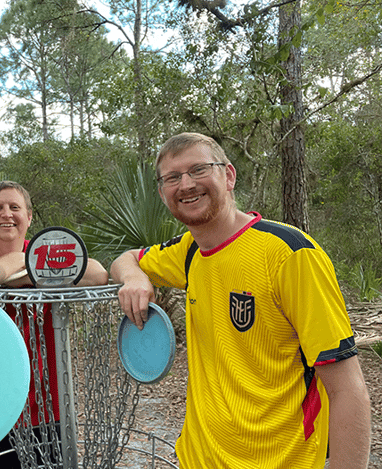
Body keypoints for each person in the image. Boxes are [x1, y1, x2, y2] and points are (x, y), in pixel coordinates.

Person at [111, 132, 371, 468]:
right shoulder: (188, 251)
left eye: (199, 170)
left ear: (229, 175)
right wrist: (133, 277)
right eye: (172, 178)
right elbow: (125, 259)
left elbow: (348, 390)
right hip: (198, 459)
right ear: (163, 194)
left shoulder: (289, 254)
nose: (186, 184)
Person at [0, 180, 108, 467]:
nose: (6, 214)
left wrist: (28, 272)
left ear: (29, 217)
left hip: (47, 409)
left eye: (14, 207)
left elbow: (96, 274)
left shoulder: (46, 250)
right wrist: (17, 264)